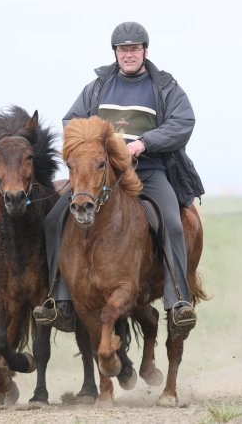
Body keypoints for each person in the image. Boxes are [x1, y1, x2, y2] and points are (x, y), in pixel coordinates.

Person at [33, 21, 204, 341]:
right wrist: (97, 145)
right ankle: (60, 300)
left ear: (145, 51)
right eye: (122, 50)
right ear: (115, 53)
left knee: (173, 222)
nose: (128, 55)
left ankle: (178, 299)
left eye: (134, 49)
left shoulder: (164, 86)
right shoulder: (98, 86)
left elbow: (183, 122)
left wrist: (145, 143)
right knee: (54, 219)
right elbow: (72, 121)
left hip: (149, 170)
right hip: (101, 172)